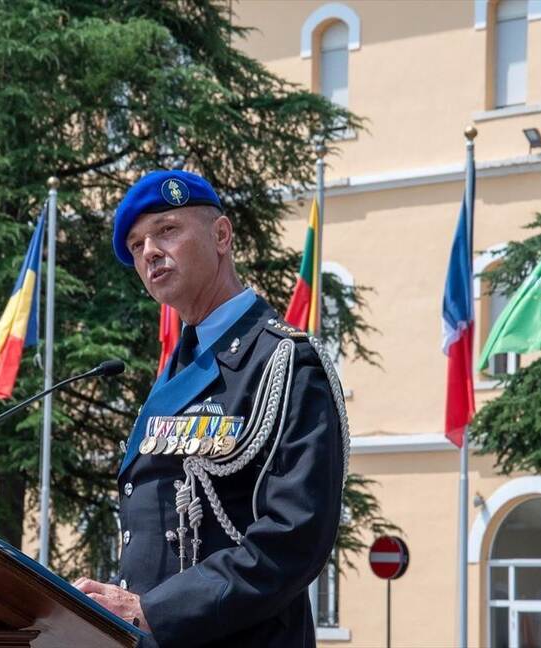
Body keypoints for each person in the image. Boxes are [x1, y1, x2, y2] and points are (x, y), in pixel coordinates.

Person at [74, 170, 348, 647]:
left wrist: (152, 611)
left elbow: (294, 536)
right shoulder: (176, 373)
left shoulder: (285, 361)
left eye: (166, 230)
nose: (149, 252)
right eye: (137, 245)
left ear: (221, 236)